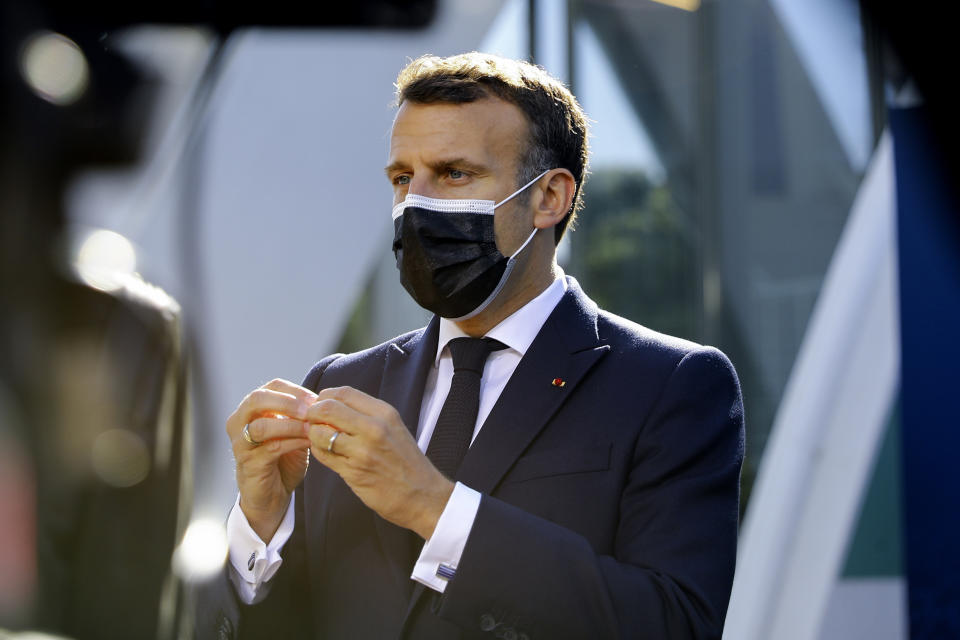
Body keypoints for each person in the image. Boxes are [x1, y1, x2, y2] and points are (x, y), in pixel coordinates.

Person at [199, 52, 744, 640]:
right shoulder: (341, 384)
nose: (417, 205)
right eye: (403, 179)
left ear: (550, 197)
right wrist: (259, 526)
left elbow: (675, 624)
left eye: (455, 173)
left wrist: (434, 507)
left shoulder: (673, 384)